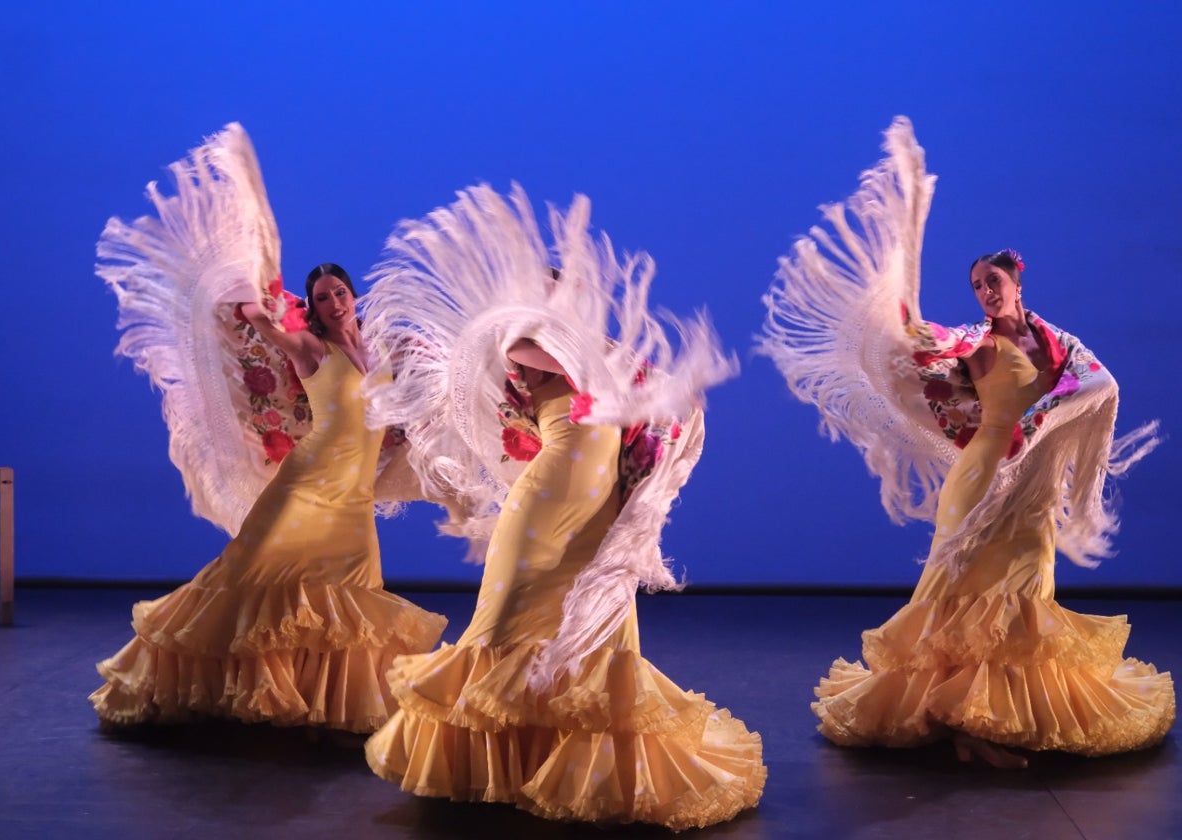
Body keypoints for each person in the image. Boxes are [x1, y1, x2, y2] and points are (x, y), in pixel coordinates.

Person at [759, 117, 1174, 766]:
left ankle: (988, 717)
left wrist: (1038, 430)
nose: (985, 293)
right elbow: (922, 358)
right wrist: (902, 290)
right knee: (958, 589)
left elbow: (1097, 385)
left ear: (1017, 282)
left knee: (1024, 590)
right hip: (981, 472)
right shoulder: (972, 346)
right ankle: (966, 725)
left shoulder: (1054, 343)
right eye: (978, 286)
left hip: (1026, 480)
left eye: (994, 283)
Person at [357, 184, 765, 829]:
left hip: (598, 509)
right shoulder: (525, 351)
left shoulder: (596, 355)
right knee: (512, 613)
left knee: (598, 618)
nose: (561, 305)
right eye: (550, 297)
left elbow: (649, 400)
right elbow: (571, 363)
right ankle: (502, 762)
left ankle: (577, 763)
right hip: (544, 502)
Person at [91, 127, 447, 733]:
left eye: (340, 292)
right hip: (306, 484)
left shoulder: (382, 352)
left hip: (352, 496)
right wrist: (244, 274)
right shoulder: (309, 347)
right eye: (322, 296)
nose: (333, 302)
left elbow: (403, 406)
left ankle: (326, 700)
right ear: (313, 306)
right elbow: (257, 320)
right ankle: (196, 681)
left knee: (348, 601)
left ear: (354, 297)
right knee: (249, 575)